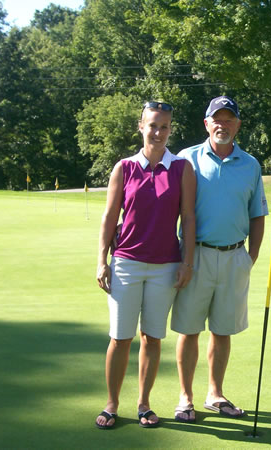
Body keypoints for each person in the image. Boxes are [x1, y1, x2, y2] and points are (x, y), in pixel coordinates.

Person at [95, 101, 197, 429]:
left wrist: (187, 261)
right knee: (120, 338)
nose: (158, 132)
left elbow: (189, 218)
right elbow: (110, 217)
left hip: (165, 266)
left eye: (164, 126)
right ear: (141, 126)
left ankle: (144, 403)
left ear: (170, 129)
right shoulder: (124, 167)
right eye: (152, 125)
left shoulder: (181, 168)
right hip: (126, 262)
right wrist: (102, 261)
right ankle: (112, 403)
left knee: (152, 338)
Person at [171, 96, 267, 423]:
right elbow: (171, 209)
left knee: (222, 330)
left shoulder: (251, 165)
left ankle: (215, 393)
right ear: (206, 123)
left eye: (229, 119)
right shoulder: (186, 159)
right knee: (188, 329)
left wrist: (249, 258)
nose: (222, 125)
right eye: (217, 119)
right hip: (194, 256)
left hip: (233, 256)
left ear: (238, 124)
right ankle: (185, 397)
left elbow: (257, 216)